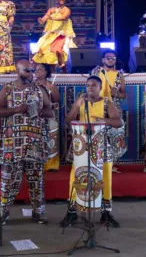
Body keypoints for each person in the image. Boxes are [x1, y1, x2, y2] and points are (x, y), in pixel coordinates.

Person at [0, 59, 52, 224]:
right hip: (12, 143)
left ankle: (38, 212)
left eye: (32, 70)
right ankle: (4, 213)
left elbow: (50, 111)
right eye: (27, 70)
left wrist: (38, 110)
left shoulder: (40, 89)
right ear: (17, 71)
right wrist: (16, 110)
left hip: (35, 142)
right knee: (9, 180)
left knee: (36, 179)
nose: (31, 74)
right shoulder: (8, 89)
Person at [61, 76, 123, 228]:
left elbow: (118, 122)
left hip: (101, 145)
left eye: (94, 85)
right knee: (75, 175)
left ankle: (106, 212)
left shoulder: (107, 103)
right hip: (81, 145)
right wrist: (76, 106)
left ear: (100, 87)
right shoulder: (81, 101)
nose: (90, 88)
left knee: (106, 176)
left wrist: (102, 121)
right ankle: (72, 211)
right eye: (88, 85)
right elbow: (68, 120)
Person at [91, 50, 127, 172]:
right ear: (103, 60)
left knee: (114, 135)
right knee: (99, 134)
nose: (111, 60)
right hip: (98, 106)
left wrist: (115, 92)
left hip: (114, 108)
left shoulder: (119, 75)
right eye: (108, 58)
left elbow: (123, 95)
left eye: (113, 58)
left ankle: (111, 164)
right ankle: (98, 161)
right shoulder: (96, 72)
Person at [33, 0, 77, 73]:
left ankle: (65, 72)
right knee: (47, 52)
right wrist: (41, 20)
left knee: (60, 51)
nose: (62, 0)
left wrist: (52, 18)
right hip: (51, 34)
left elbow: (64, 18)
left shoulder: (66, 9)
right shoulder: (52, 9)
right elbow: (44, 18)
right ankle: (51, 73)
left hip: (62, 34)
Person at [35, 63, 61, 171]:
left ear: (46, 72)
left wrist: (51, 91)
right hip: (36, 116)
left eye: (40, 69)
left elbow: (57, 100)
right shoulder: (31, 85)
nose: (37, 71)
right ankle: (36, 162)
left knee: (51, 139)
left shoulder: (51, 85)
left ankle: (51, 164)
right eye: (35, 70)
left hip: (49, 116)